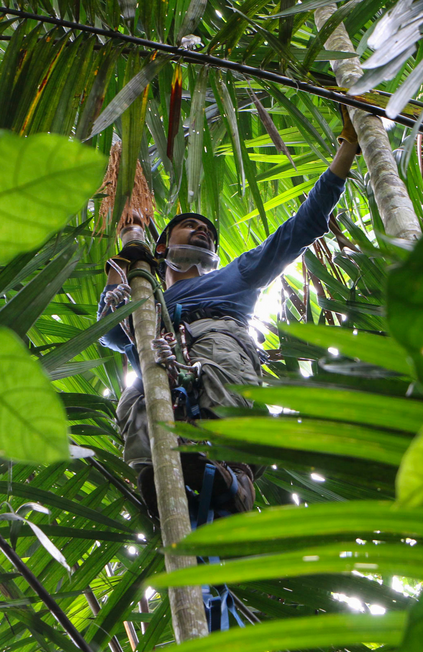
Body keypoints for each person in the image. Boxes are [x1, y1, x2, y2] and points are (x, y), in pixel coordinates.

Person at [98, 111, 359, 517]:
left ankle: (235, 482)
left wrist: (346, 150)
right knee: (138, 399)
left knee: (221, 384)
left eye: (207, 232)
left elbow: (300, 229)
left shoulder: (235, 275)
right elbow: (112, 335)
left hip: (218, 347)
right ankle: (160, 478)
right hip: (159, 359)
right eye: (189, 225)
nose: (201, 231)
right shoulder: (144, 296)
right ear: (163, 247)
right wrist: (126, 273)